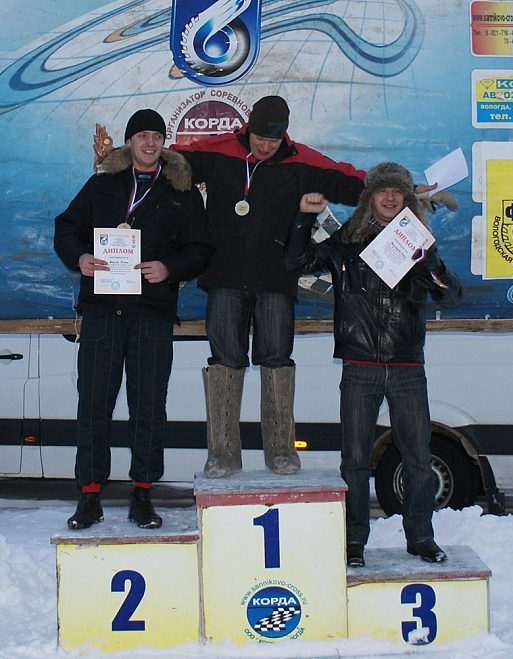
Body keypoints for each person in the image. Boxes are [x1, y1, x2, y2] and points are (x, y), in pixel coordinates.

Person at [170, 95, 367, 478]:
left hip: (276, 281)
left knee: (277, 360)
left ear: (285, 136)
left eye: (272, 141)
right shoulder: (220, 152)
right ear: (249, 128)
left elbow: (349, 179)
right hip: (223, 278)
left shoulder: (301, 161)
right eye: (259, 138)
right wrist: (121, 159)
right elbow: (170, 161)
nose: (264, 146)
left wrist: (399, 187)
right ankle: (222, 455)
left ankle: (281, 452)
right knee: (225, 362)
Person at [285, 162, 462, 567]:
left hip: (406, 367)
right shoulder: (346, 243)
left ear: (406, 199)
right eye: (382, 191)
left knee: (417, 457)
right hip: (359, 365)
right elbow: (295, 264)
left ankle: (421, 538)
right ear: (370, 197)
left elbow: (451, 296)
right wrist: (302, 217)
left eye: (398, 192)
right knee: (355, 460)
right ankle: (353, 544)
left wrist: (430, 259)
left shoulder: (418, 243)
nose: (390, 198)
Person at [54, 109, 212, 530]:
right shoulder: (103, 184)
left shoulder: (181, 192)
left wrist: (169, 268)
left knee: (148, 407)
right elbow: (65, 227)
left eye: (156, 136)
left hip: (152, 314)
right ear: (129, 142)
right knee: (93, 405)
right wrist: (80, 258)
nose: (149, 143)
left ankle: (143, 494)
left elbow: (202, 249)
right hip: (103, 312)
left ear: (164, 143)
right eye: (141, 135)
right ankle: (89, 496)